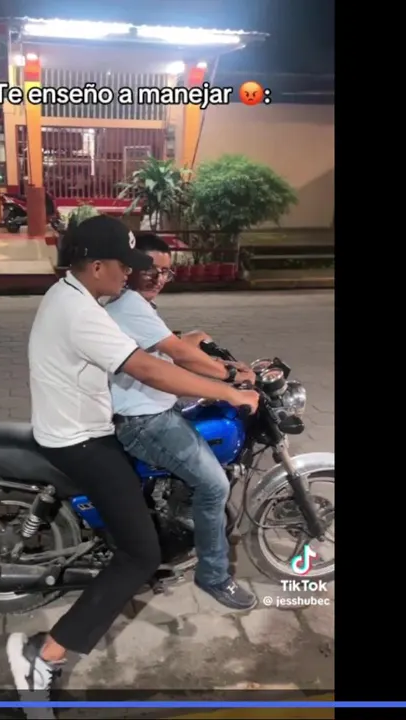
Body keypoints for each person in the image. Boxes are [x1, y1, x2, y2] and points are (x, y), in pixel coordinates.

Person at [8, 215, 260, 705]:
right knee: (139, 555)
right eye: (123, 264)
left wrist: (202, 355)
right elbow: (150, 369)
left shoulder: (75, 297)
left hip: (80, 429)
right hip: (81, 441)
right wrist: (229, 391)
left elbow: (158, 349)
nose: (130, 273)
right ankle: (44, 655)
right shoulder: (80, 311)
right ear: (96, 265)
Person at [105, 233, 259, 610]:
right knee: (214, 486)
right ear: (129, 267)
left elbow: (168, 347)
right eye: (150, 270)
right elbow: (179, 355)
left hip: (152, 410)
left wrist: (206, 350)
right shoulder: (130, 305)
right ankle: (214, 576)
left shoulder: (133, 304)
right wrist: (231, 380)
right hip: (145, 420)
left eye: (166, 272)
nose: (158, 278)